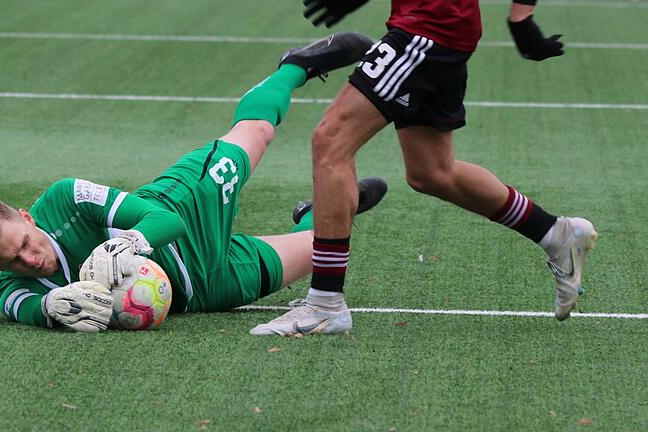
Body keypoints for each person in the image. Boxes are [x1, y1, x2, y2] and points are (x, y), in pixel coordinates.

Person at [0, 32, 389, 332]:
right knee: (324, 245)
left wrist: (129, 243)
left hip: (187, 206)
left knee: (258, 131)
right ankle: (315, 212)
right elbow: (27, 308)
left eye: (24, 244)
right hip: (204, 287)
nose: (29, 261)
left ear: (27, 217)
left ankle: (295, 66)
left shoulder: (64, 198)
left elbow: (165, 220)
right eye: (13, 261)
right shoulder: (14, 292)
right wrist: (51, 309)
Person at [250, 0, 598, 336]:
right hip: (442, 26)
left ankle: (325, 304)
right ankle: (556, 234)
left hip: (429, 25)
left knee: (331, 142)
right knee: (431, 171)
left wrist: (521, 17)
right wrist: (521, 18)